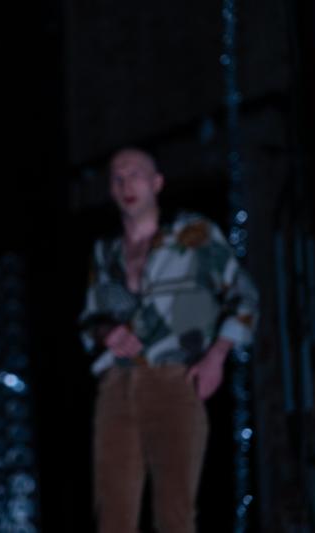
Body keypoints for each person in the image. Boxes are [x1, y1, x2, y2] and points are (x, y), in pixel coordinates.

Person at [79, 147, 259, 533]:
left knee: (174, 515)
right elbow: (89, 319)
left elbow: (244, 296)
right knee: (112, 516)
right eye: (118, 178)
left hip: (174, 378)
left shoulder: (194, 235)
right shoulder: (105, 251)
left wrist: (217, 356)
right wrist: (106, 332)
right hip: (116, 383)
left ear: (157, 182)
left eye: (135, 175)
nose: (126, 185)